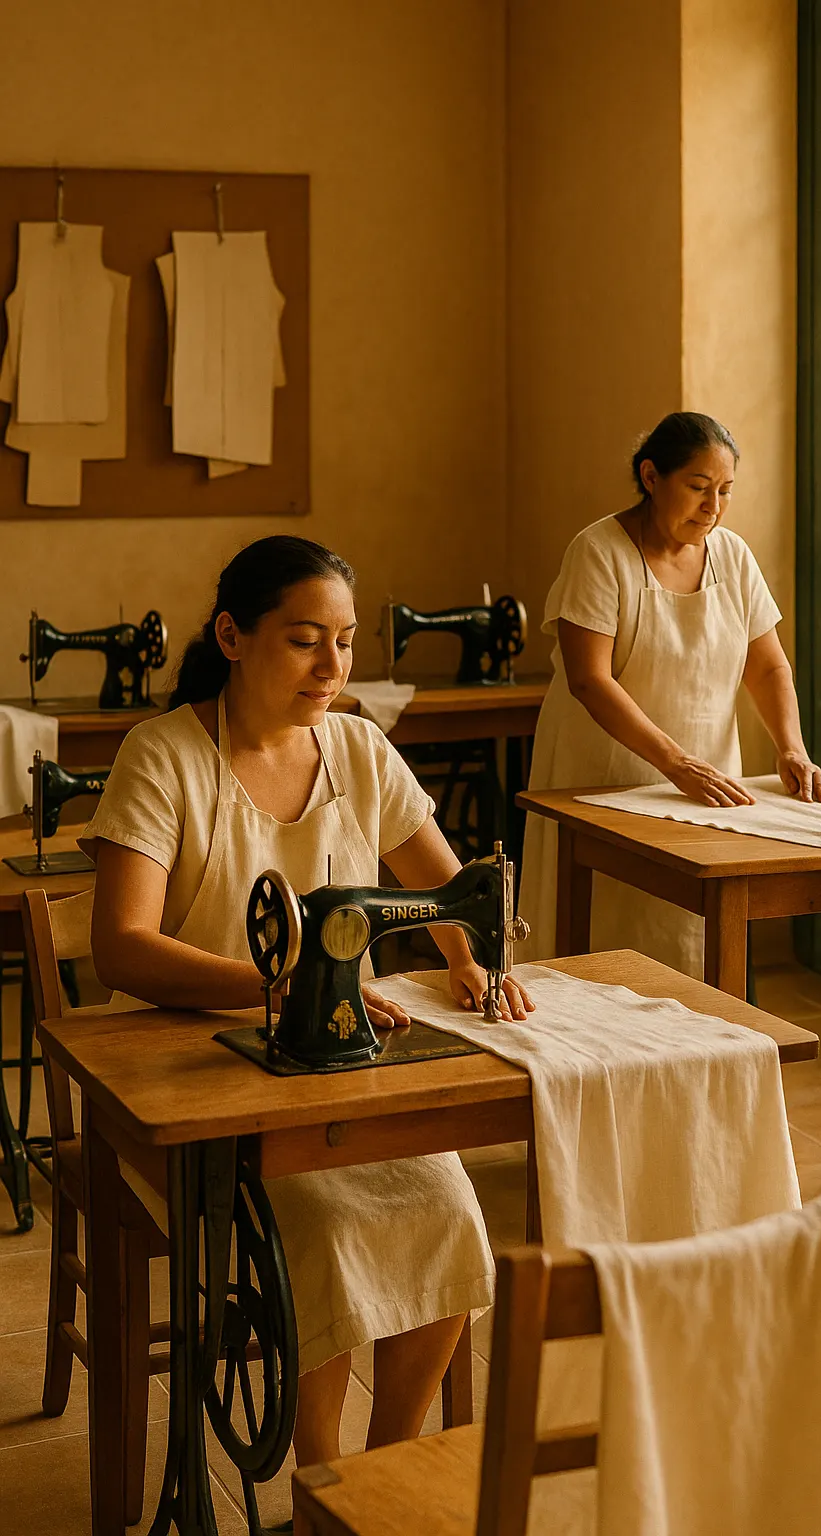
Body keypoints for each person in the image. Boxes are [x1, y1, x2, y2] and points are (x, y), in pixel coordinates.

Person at [82, 535, 533, 1467]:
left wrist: (471, 960)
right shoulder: (162, 755)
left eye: (347, 641)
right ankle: (323, 1473)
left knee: (449, 1213)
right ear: (233, 636)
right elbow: (120, 947)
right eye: (304, 640)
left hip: (331, 1068)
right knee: (325, 1236)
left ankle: (384, 1468)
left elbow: (446, 888)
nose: (333, 666)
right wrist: (278, 988)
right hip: (195, 1079)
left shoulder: (360, 748)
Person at [518, 410, 821, 976]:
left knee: (690, 948)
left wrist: (792, 748)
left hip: (702, 787)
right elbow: (589, 679)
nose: (712, 507)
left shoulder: (733, 557)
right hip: (602, 777)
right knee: (597, 941)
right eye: (697, 488)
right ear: (650, 477)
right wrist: (675, 762)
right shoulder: (599, 552)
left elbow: (767, 668)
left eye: (725, 491)